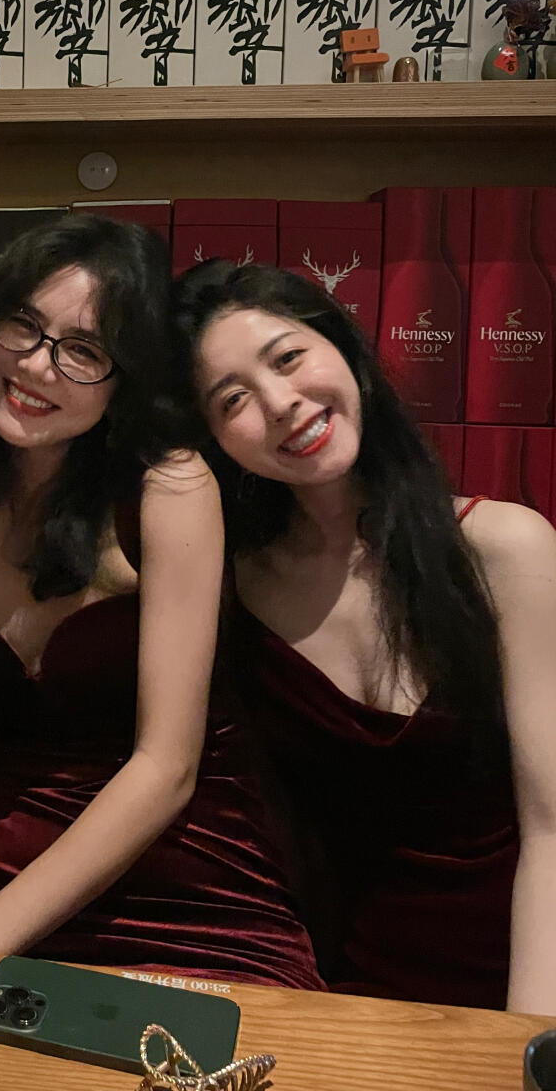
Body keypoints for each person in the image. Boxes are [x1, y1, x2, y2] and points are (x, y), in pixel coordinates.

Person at [0, 215, 324, 985]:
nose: (38, 365)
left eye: (85, 351)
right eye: (22, 324)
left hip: (197, 886)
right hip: (11, 881)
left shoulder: (169, 488)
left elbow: (167, 766)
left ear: (126, 380)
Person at [172, 259, 556, 1015]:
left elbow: (552, 828)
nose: (280, 403)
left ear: (347, 351)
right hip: (329, 992)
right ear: (213, 438)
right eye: (233, 399)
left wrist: (528, 1041)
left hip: (523, 974)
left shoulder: (507, 549)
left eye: (288, 358)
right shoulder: (232, 587)